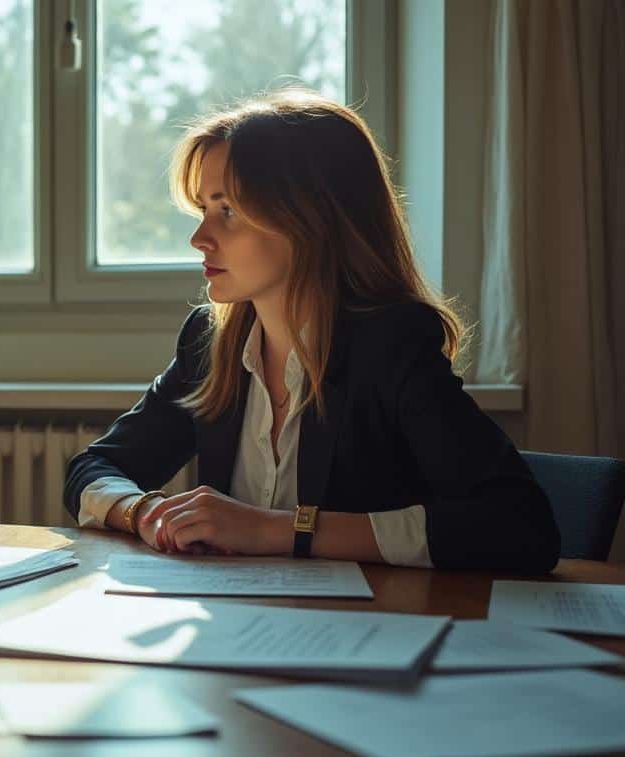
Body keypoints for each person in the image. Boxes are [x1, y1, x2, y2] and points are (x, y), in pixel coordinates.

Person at [64, 89, 559, 573]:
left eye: (228, 211)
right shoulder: (210, 343)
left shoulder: (391, 345)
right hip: (244, 631)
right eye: (203, 212)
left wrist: (275, 530)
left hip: (374, 634)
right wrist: (144, 511)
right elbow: (92, 469)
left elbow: (519, 524)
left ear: (309, 221)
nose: (199, 238)